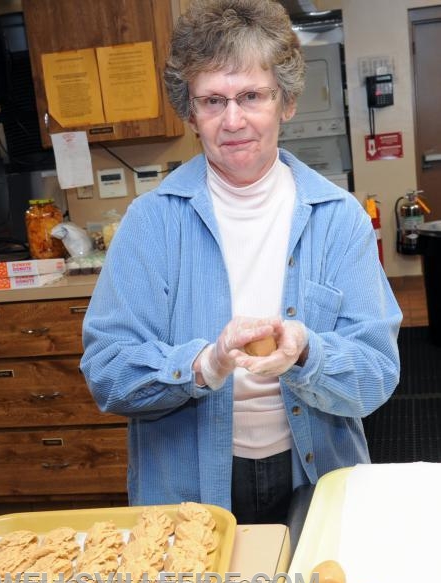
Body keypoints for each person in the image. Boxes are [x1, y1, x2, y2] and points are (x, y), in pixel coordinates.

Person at [80, 0, 402, 524]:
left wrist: (306, 353)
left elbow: (377, 372)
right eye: (213, 101)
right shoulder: (151, 223)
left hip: (317, 479)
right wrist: (205, 365)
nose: (234, 121)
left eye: (251, 95)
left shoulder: (338, 218)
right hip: (186, 488)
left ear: (286, 102)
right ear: (191, 112)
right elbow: (108, 371)